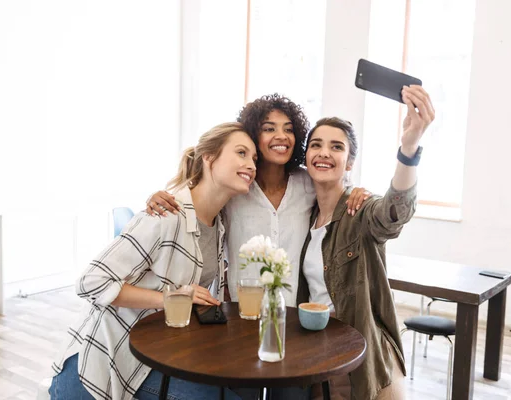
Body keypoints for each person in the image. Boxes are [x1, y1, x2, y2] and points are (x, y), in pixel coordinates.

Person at [49, 122, 258, 400]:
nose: (251, 165)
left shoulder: (217, 225)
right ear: (209, 157)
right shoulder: (166, 214)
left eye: (255, 158)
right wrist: (173, 297)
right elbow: (90, 282)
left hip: (152, 361)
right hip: (100, 367)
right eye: (241, 153)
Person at [146, 94, 371, 307]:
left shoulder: (307, 184)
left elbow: (334, 187)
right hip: (240, 310)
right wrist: (156, 196)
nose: (281, 136)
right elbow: (199, 196)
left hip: (291, 314)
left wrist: (356, 192)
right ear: (254, 136)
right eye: (269, 129)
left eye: (289, 129)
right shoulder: (235, 187)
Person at [298, 85, 435, 400]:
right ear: (306, 158)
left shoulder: (360, 211)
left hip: (366, 355)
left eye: (336, 147)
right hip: (318, 352)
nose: (324, 153)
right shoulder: (303, 218)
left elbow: (394, 212)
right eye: (316, 145)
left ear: (349, 162)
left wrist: (409, 146)